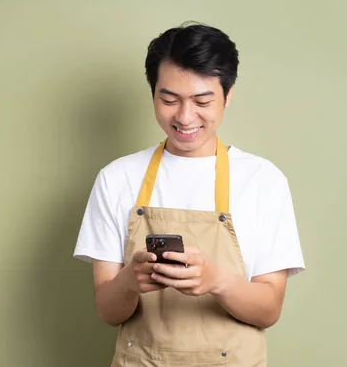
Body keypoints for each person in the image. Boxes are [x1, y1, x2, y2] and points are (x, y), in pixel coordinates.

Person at [73, 22, 305, 366]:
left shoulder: (263, 181)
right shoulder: (117, 178)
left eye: (202, 101)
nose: (184, 116)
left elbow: (269, 309)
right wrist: (129, 281)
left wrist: (217, 280)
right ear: (153, 94)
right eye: (169, 99)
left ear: (227, 96)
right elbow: (109, 311)